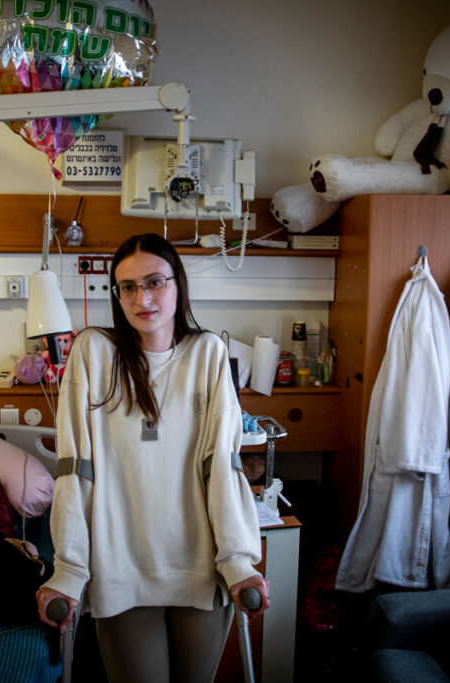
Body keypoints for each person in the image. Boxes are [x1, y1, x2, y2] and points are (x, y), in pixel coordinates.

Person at [35, 232, 270, 683]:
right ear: (117, 294)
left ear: (178, 283)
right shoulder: (93, 352)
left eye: (155, 282)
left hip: (200, 567)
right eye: (128, 287)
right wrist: (69, 568)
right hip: (121, 570)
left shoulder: (208, 353)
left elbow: (222, 466)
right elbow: (74, 469)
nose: (142, 298)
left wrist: (238, 560)